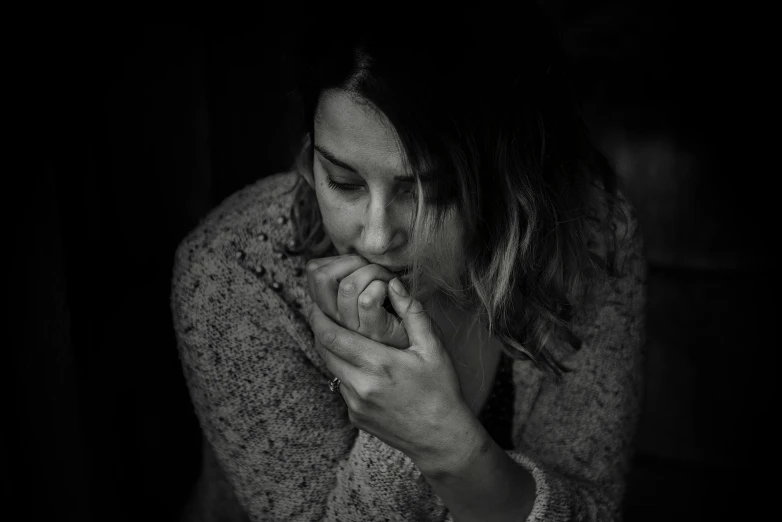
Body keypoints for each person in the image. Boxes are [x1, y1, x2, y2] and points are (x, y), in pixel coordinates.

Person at [171, 4, 646, 521]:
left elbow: (594, 511)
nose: (376, 236)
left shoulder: (587, 237)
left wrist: (444, 443)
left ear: (512, 183)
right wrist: (397, 434)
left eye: (433, 192)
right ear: (310, 160)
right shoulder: (235, 271)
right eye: (344, 182)